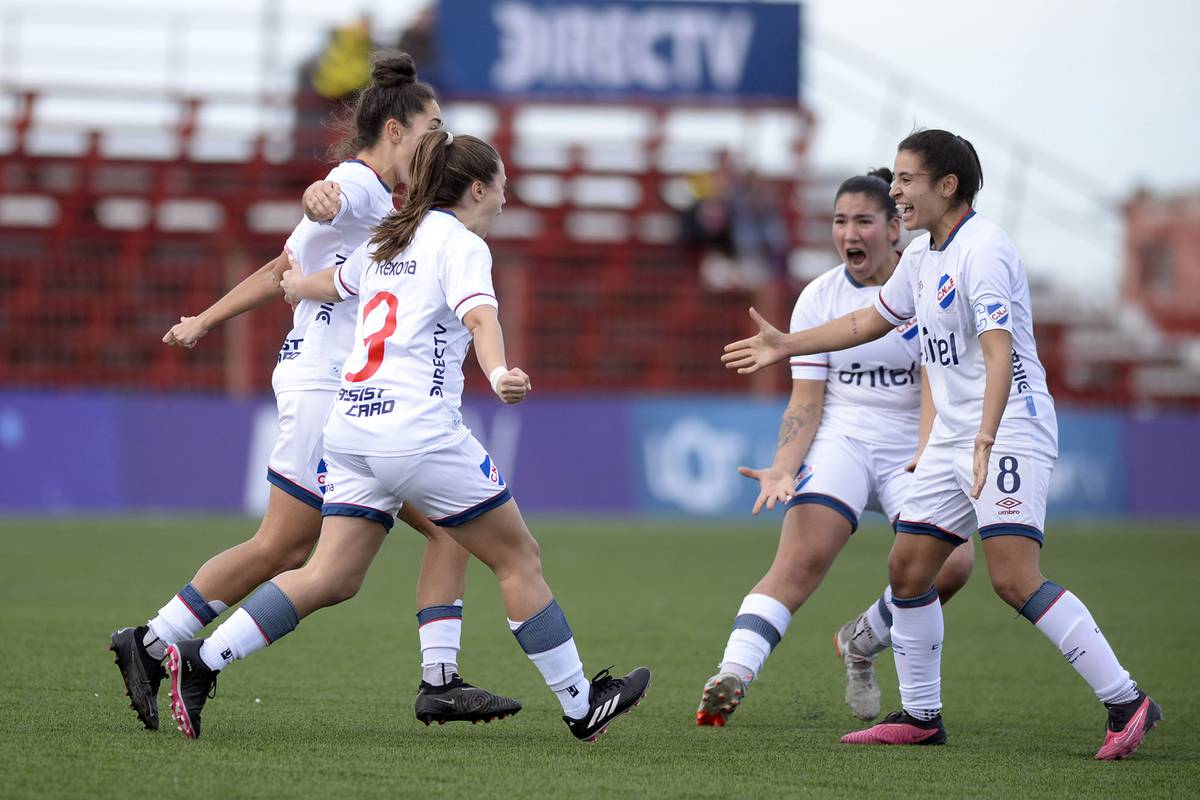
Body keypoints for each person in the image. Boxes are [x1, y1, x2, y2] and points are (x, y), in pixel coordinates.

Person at [162, 129, 652, 742]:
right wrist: (499, 371)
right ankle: (582, 705)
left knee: (329, 576)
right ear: (477, 187)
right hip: (415, 431)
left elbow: (331, 283)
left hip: (351, 428)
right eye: (502, 182)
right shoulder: (461, 244)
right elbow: (480, 316)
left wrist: (291, 286)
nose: (506, 195)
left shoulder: (392, 236)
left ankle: (202, 663)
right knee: (517, 557)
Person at [109, 52, 520, 733]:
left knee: (300, 549)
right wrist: (316, 195)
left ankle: (156, 643)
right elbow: (326, 198)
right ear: (395, 130)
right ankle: (435, 679)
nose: (441, 140)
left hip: (326, 384)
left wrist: (206, 319)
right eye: (433, 126)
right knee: (392, 536)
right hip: (333, 388)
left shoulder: (384, 200)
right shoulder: (360, 186)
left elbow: (284, 267)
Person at [722, 130, 1161, 760]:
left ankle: (1127, 701)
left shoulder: (985, 252)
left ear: (946, 185)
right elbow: (873, 318)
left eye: (905, 179)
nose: (895, 190)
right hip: (957, 435)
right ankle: (922, 717)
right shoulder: (926, 255)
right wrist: (788, 344)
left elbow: (998, 350)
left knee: (1012, 578)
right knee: (908, 567)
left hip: (1005, 428)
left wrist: (983, 437)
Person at [696, 169, 975, 727]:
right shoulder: (819, 297)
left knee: (954, 566)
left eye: (864, 220)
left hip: (912, 446)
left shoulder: (928, 290)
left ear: (895, 228)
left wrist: (926, 452)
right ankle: (732, 672)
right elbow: (807, 401)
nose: (850, 231)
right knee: (800, 560)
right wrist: (783, 467)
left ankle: (862, 636)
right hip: (842, 439)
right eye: (840, 220)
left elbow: (934, 388)